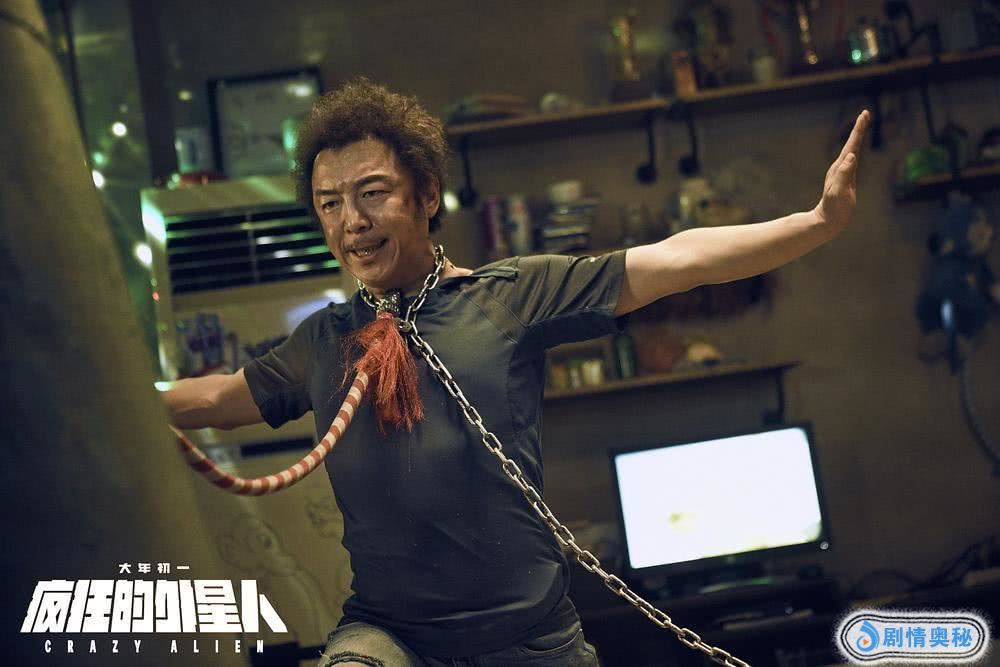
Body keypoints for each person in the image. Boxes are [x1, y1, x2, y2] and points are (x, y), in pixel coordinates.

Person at [163, 79, 869, 666]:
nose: (352, 220)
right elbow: (220, 398)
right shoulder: (323, 342)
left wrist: (815, 224)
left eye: (372, 193)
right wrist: (114, 403)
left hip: (529, 642)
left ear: (427, 195)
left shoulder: (509, 296)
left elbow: (674, 260)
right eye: (330, 204)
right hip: (390, 638)